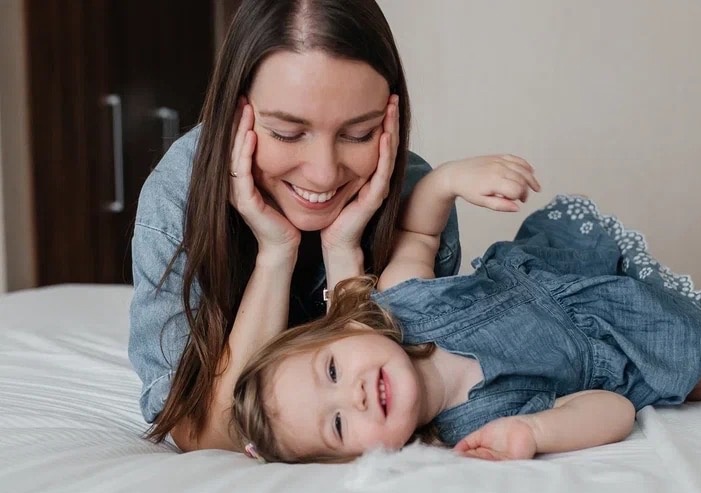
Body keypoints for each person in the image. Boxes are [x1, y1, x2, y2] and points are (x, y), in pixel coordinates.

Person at [231, 159, 701, 462]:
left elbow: (420, 233)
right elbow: (612, 408)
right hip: (617, 350)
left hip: (563, 275)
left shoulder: (404, 304)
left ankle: (648, 294)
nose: (355, 395)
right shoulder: (475, 425)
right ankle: (672, 350)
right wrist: (535, 433)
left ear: (342, 330)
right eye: (339, 424)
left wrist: (449, 182)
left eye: (331, 370)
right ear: (355, 459)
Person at [128, 0, 461, 452]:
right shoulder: (177, 199)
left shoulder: (416, 202)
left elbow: (403, 405)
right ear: (234, 114)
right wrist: (275, 255)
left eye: (359, 133)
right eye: (287, 133)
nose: (323, 174)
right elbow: (204, 433)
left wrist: (344, 254)